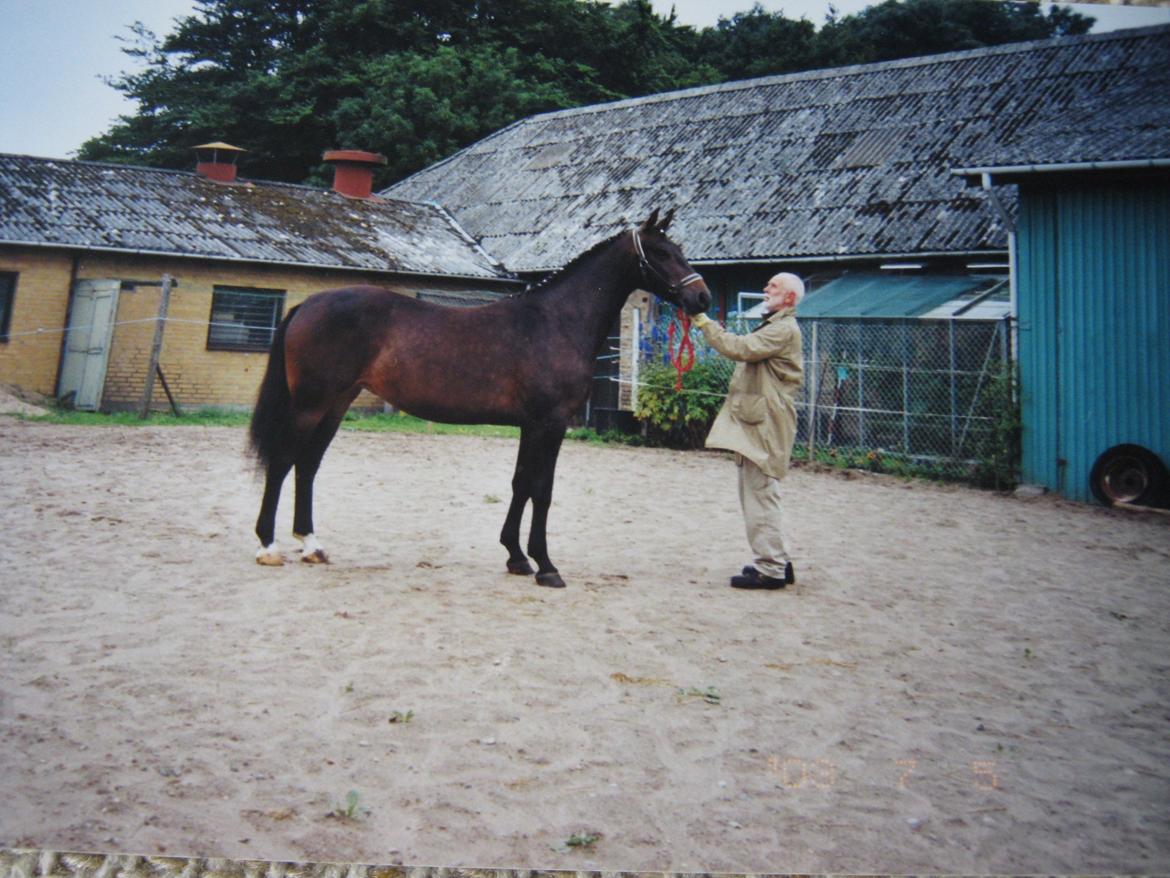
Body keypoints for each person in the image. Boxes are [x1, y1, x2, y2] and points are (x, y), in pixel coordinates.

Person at [691, 272, 804, 590]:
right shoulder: (777, 325)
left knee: (759, 495)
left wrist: (702, 321)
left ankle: (770, 569)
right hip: (760, 421)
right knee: (762, 493)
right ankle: (777, 560)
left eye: (774, 287)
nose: (766, 289)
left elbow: (739, 348)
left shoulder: (781, 329)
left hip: (765, 424)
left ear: (790, 299)